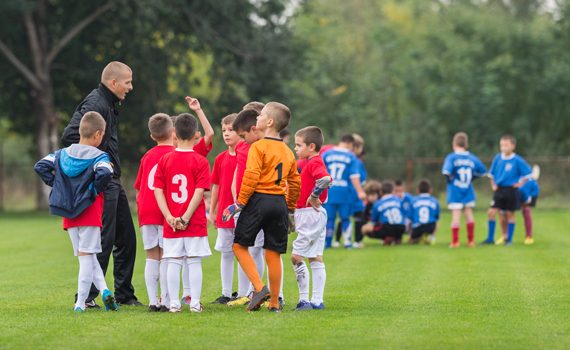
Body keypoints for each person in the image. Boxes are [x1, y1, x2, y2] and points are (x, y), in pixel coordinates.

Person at [61, 61, 140, 307]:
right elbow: (71, 136)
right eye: (127, 82)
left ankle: (125, 295)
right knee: (103, 240)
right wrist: (98, 162)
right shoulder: (96, 104)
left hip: (113, 180)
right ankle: (87, 298)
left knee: (126, 238)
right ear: (113, 82)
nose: (130, 87)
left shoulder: (108, 103)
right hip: (104, 182)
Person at [35, 112, 119, 312]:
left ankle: (105, 291)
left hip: (69, 212)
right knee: (86, 257)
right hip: (89, 210)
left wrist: (57, 185)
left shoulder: (62, 154)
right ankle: (80, 303)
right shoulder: (100, 156)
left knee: (86, 256)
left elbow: (40, 166)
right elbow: (106, 173)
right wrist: (93, 190)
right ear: (98, 134)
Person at [223, 102, 301, 312]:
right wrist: (290, 208)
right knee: (273, 253)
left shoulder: (258, 147)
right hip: (279, 203)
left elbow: (251, 176)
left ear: (269, 122)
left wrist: (239, 202)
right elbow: (295, 182)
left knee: (239, 246)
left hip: (258, 200)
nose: (257, 118)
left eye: (261, 116)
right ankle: (275, 303)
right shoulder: (287, 151)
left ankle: (259, 288)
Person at [154, 113, 212, 312]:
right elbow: (199, 192)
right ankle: (195, 304)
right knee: (194, 261)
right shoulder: (201, 161)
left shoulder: (165, 160)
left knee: (173, 260)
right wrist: (186, 217)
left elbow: (158, 191)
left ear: (174, 135)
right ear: (197, 135)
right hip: (193, 220)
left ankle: (174, 304)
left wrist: (169, 216)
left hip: (171, 221)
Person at [226, 107, 268, 307]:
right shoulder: (243, 147)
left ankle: (269, 293)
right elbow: (239, 173)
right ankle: (247, 292)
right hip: (242, 202)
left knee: (263, 249)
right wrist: (236, 196)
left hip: (257, 202)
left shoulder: (264, 147)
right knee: (244, 248)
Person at [133, 113, 175, 312]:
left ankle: (152, 302)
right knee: (167, 255)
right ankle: (166, 301)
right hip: (167, 211)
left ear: (151, 136)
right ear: (173, 131)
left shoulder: (147, 156)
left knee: (151, 255)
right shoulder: (175, 154)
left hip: (147, 210)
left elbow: (139, 186)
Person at [179, 96, 215, 307]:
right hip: (187, 211)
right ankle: (187, 295)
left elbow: (209, 134)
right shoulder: (175, 155)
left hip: (177, 212)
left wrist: (198, 110)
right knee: (186, 258)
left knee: (181, 258)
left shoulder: (196, 151)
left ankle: (179, 297)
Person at [291, 126, 332, 311]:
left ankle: (304, 300)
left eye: (299, 145)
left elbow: (325, 179)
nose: (296, 148)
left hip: (310, 214)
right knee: (315, 257)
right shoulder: (310, 162)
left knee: (296, 256)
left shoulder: (315, 162)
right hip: (312, 215)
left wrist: (314, 196)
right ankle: (317, 300)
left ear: (312, 146)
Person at [209, 113, 242, 304]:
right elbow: (216, 186)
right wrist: (212, 211)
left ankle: (245, 292)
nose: (227, 134)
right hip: (225, 213)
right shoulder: (221, 158)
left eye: (231, 130)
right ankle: (226, 293)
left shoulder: (245, 156)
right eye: (224, 130)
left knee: (243, 251)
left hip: (242, 211)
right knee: (226, 252)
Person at [482, 135, 532, 246]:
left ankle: (508, 239)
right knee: (491, 213)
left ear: (513, 146)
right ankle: (490, 239)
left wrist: (520, 183)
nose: (503, 148)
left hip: (511, 190)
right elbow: (491, 174)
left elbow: (528, 174)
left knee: (510, 214)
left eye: (506, 145)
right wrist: (493, 185)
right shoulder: (497, 158)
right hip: (499, 190)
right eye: (501, 145)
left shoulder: (517, 160)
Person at [441, 132, 487, 248]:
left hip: (455, 190)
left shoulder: (451, 157)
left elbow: (446, 172)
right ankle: (471, 241)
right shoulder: (472, 158)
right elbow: (482, 172)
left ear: (454, 144)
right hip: (468, 189)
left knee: (456, 215)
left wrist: (450, 182)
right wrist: (471, 178)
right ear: (466, 144)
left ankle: (455, 242)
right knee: (469, 213)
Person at [322, 134, 366, 248]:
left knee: (330, 218)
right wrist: (360, 191)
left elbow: (320, 172)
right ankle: (347, 242)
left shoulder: (327, 154)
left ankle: (328, 242)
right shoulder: (351, 157)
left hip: (329, 190)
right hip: (344, 192)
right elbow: (354, 176)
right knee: (345, 218)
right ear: (350, 144)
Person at [498, 169, 540, 245]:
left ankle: (528, 236)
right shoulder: (511, 181)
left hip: (531, 193)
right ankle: (504, 236)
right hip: (515, 193)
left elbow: (526, 196)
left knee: (526, 211)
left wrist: (526, 201)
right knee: (504, 213)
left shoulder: (526, 186)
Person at [362, 181, 406, 245]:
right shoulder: (398, 200)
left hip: (388, 228)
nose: (371, 197)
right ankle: (397, 238)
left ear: (380, 193)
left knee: (365, 228)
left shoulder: (378, 203)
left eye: (373, 195)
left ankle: (387, 238)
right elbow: (403, 214)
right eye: (370, 195)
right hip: (402, 228)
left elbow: (373, 221)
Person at [409, 179, 440, 245]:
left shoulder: (413, 200)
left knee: (411, 221)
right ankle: (431, 237)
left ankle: (413, 238)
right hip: (430, 227)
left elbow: (410, 217)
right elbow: (437, 217)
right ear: (430, 190)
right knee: (437, 221)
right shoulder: (435, 201)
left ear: (418, 190)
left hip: (417, 228)